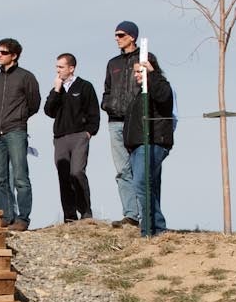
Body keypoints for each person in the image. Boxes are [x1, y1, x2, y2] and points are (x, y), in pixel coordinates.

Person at [0, 38, 40, 232]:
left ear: (14, 55)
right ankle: (6, 216)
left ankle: (22, 218)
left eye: (3, 52)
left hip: (16, 131)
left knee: (20, 177)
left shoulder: (26, 77)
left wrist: (19, 118)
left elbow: (34, 104)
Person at [42, 52, 100, 223]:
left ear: (71, 68)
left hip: (79, 136)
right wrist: (56, 90)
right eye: (56, 67)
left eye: (61, 67)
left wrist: (89, 132)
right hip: (60, 138)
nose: (57, 70)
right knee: (64, 175)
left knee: (77, 172)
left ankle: (86, 212)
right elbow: (48, 111)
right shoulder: (56, 89)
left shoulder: (84, 86)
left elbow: (93, 112)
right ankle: (69, 215)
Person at [102, 20, 148, 227]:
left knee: (140, 169)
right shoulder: (113, 63)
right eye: (115, 35)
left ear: (132, 37)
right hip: (115, 122)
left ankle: (146, 215)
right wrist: (108, 105)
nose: (116, 39)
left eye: (120, 35)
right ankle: (131, 214)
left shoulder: (146, 58)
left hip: (138, 122)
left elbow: (154, 85)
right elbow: (107, 89)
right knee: (122, 170)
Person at [124, 51, 174, 237]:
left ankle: (155, 227)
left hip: (153, 142)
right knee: (147, 185)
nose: (136, 74)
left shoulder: (159, 86)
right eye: (135, 72)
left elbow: (163, 97)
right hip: (137, 146)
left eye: (140, 71)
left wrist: (152, 74)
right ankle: (153, 227)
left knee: (141, 184)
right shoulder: (140, 94)